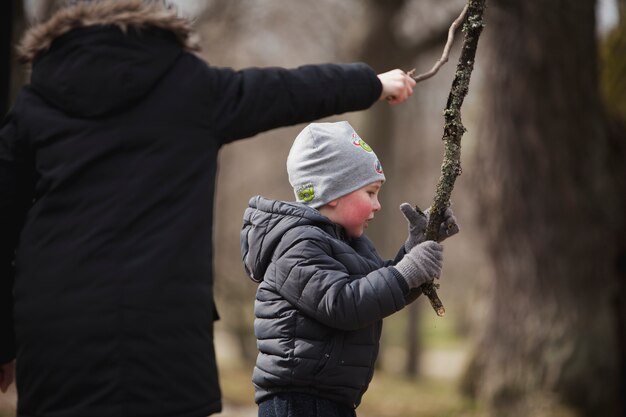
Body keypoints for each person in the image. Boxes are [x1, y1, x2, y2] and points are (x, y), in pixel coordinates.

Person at [0, 1, 418, 416]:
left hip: (54, 329)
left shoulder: (36, 104)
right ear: (155, 24)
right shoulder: (188, 88)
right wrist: (373, 84)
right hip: (163, 328)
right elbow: (288, 91)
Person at [240, 121, 459, 417]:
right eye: (370, 192)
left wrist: (412, 251)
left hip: (330, 399)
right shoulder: (296, 244)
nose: (378, 205)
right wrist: (407, 270)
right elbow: (343, 303)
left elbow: (374, 296)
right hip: (297, 402)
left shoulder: (349, 243)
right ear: (332, 191)